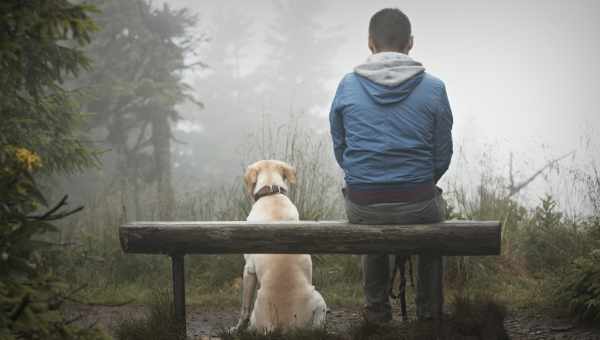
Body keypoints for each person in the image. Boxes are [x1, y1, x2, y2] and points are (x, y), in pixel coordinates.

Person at [328, 8, 453, 322]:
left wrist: (368, 176)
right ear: (410, 43)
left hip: (363, 204)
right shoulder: (434, 88)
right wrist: (417, 181)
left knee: (370, 213)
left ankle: (376, 311)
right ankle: (429, 314)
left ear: (370, 43)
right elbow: (443, 154)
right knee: (433, 222)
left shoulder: (347, 85)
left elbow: (341, 147)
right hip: (419, 203)